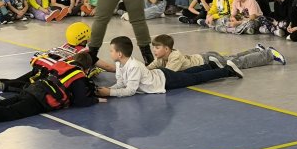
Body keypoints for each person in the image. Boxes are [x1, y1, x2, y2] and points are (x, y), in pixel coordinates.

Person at [0, 52, 100, 131]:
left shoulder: (62, 65)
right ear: (86, 68)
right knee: (9, 112)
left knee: (1, 103)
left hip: (32, 88)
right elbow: (81, 101)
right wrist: (95, 99)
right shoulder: (79, 76)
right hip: (41, 100)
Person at [0, 22, 94, 100]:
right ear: (85, 36)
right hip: (49, 70)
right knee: (28, 86)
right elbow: (99, 65)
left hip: (41, 63)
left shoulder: (65, 45)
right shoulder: (83, 52)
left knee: (20, 80)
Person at [94, 36, 243, 98]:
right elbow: (121, 83)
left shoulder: (133, 66)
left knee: (195, 78)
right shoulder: (120, 64)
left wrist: (110, 93)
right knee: (189, 74)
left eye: (111, 51)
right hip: (162, 74)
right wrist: (109, 89)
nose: (110, 53)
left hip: (166, 80)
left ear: (120, 54)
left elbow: (130, 90)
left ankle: (227, 71)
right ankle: (210, 65)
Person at [147, 34, 286, 71]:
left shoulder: (174, 57)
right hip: (206, 56)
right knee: (234, 57)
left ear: (167, 49)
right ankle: (257, 50)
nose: (154, 50)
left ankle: (269, 54)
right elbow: (152, 66)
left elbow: (168, 73)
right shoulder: (161, 57)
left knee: (239, 62)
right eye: (154, 48)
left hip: (209, 60)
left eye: (157, 48)